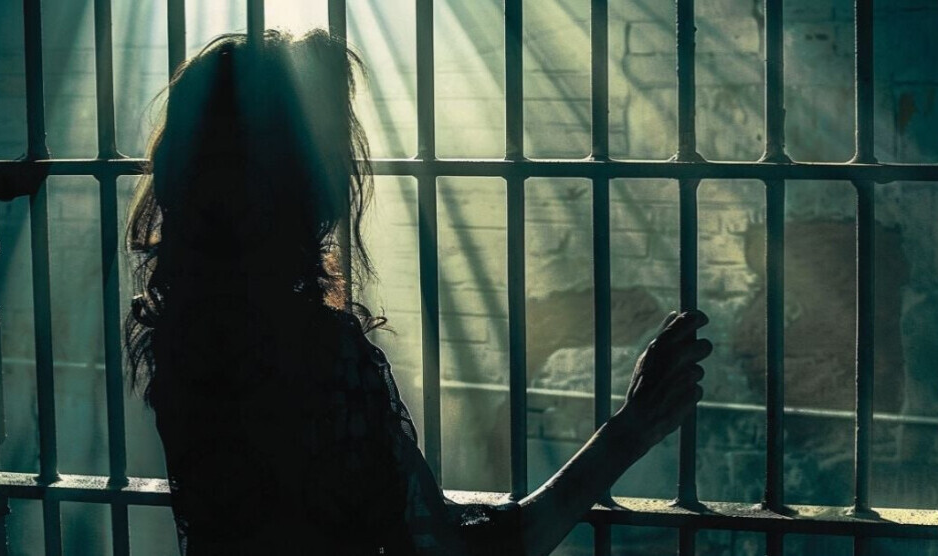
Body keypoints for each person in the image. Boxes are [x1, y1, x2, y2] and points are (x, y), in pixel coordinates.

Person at [124, 29, 711, 556]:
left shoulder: (180, 336)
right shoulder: (321, 354)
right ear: (309, 183)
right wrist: (629, 432)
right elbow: (458, 551)